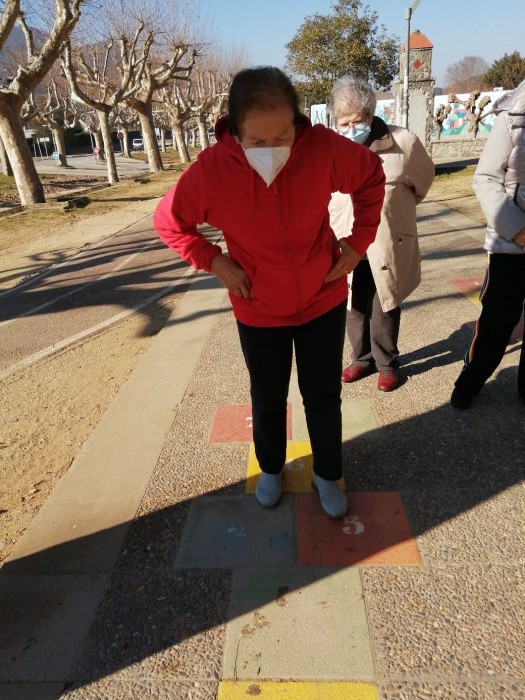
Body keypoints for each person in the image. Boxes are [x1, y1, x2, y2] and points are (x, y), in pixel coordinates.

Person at [154, 67, 385, 518]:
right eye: (257, 140)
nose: (272, 148)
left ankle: (327, 473)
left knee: (322, 393)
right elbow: (169, 222)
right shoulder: (212, 170)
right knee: (267, 395)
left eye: (282, 136)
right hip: (258, 307)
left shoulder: (321, 148)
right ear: (235, 132)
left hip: (322, 298)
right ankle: (271, 468)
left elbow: (371, 177)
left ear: (298, 122)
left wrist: (358, 243)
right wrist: (214, 261)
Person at [328, 76, 435, 391]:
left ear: (370, 115)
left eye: (356, 121)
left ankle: (387, 363)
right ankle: (361, 358)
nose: (351, 128)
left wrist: (396, 212)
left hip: (386, 240)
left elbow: (423, 182)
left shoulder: (403, 143)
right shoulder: (331, 150)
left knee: (384, 301)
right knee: (353, 302)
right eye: (343, 123)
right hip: (346, 240)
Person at [451, 79, 525, 410]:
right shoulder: (514, 115)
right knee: (497, 321)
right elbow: (485, 179)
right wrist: (516, 228)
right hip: (512, 245)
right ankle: (471, 380)